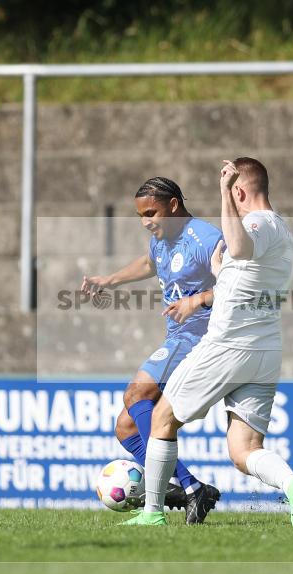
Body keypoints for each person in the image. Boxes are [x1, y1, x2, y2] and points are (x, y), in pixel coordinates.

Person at [123, 157, 293, 527]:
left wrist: (223, 194)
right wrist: (217, 274)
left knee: (162, 418)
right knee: (244, 451)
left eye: (233, 193)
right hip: (266, 351)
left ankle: (151, 515)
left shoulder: (257, 222)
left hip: (228, 345)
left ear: (239, 190)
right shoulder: (282, 230)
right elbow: (244, 274)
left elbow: (241, 247)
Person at [80, 177, 223, 524]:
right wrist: (109, 280)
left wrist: (198, 301)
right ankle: (188, 488)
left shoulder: (206, 239)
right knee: (127, 428)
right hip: (177, 338)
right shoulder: (161, 240)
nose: (146, 221)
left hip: (199, 337)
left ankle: (183, 488)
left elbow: (234, 285)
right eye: (140, 215)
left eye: (151, 213)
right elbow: (149, 264)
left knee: (136, 393)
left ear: (173, 205)